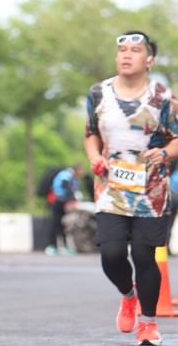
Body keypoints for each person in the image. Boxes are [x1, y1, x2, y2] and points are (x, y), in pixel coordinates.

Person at [84, 30, 178, 346]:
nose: (126, 54)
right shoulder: (99, 93)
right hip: (111, 187)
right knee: (111, 254)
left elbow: (176, 138)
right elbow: (91, 133)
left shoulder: (164, 97)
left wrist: (165, 152)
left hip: (151, 191)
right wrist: (94, 156)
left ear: (149, 60)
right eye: (122, 49)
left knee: (143, 255)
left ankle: (148, 325)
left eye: (135, 50)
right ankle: (128, 295)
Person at [44, 163, 84, 256]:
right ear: (77, 169)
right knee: (55, 222)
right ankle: (52, 246)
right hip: (57, 200)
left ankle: (63, 246)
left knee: (61, 223)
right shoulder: (66, 174)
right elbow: (64, 184)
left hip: (62, 200)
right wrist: (73, 195)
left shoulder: (71, 176)